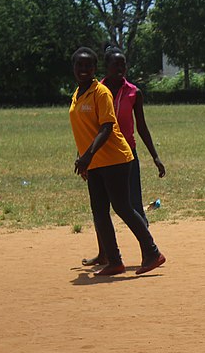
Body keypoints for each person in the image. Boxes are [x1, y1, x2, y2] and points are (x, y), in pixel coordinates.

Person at [69, 47, 166, 276]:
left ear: (95, 69)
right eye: (79, 65)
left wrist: (88, 155)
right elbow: (85, 129)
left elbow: (107, 127)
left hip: (115, 158)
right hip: (94, 161)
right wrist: (83, 158)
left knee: (123, 207)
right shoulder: (78, 93)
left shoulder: (100, 92)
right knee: (99, 211)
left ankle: (152, 253)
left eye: (88, 66)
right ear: (73, 68)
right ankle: (114, 261)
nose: (83, 69)